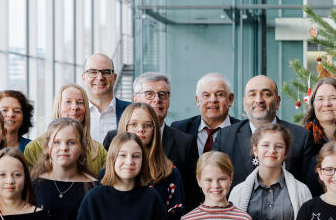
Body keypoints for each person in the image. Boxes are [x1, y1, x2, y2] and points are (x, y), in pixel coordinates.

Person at [210, 75, 317, 186]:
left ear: (278, 101)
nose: (259, 100)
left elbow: (310, 188)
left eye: (266, 94)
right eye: (252, 94)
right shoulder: (225, 137)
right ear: (244, 103)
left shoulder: (301, 137)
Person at [112, 71, 199, 204]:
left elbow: (191, 195)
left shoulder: (185, 143)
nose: (157, 99)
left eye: (163, 94)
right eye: (149, 94)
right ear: (135, 99)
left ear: (168, 101)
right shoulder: (113, 138)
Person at [24, 84, 109, 175]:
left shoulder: (99, 151)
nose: (74, 107)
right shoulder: (34, 148)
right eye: (68, 101)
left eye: (80, 102)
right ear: (58, 107)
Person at [169, 72, 242, 155]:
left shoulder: (244, 131)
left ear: (230, 99)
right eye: (206, 95)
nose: (213, 100)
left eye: (219, 94)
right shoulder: (180, 129)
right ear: (197, 100)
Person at [82, 53, 131, 142]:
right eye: (93, 72)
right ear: (83, 78)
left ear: (114, 77)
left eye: (106, 72)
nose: (100, 77)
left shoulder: (132, 111)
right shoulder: (75, 113)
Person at [301, 77, 336, 147]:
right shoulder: (302, 138)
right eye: (320, 99)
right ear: (313, 104)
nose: (327, 104)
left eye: (333, 98)